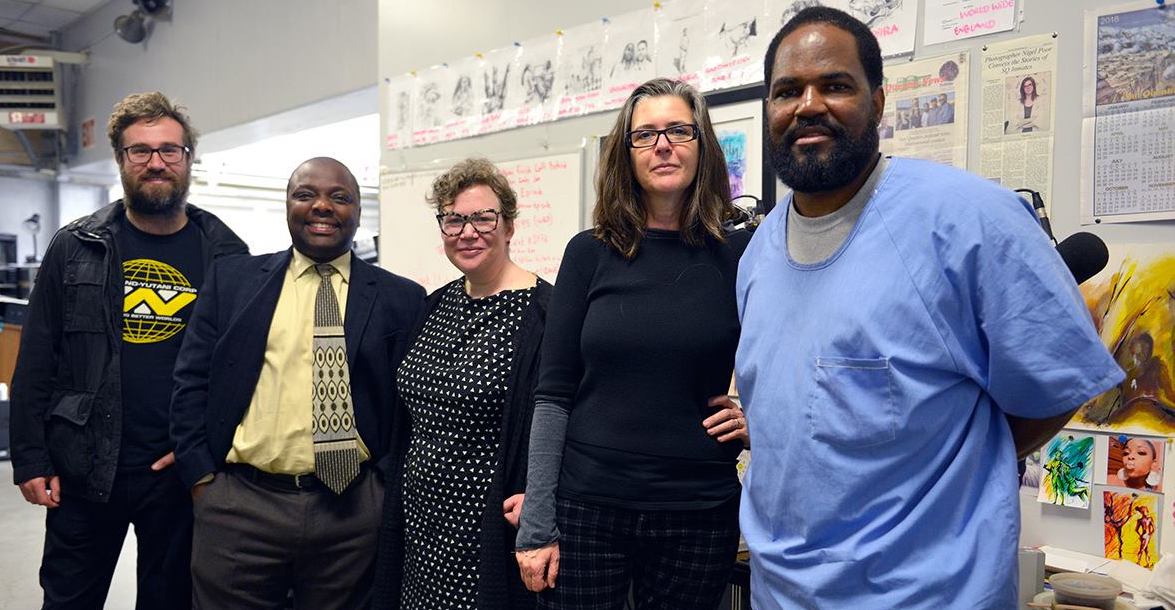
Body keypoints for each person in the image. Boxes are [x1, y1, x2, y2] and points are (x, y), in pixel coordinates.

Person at [737, 8, 1123, 607]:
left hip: (928, 593)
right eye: (787, 90)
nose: (808, 104)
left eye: (835, 85)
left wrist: (953, 469)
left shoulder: (972, 221)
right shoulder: (757, 253)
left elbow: (1053, 388)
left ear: (880, 101)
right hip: (780, 592)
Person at [514, 77, 749, 609]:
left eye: (678, 130)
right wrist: (537, 524)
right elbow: (553, 394)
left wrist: (759, 422)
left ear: (702, 145)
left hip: (698, 507)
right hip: (588, 508)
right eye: (644, 135)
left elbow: (790, 357)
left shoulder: (739, 253)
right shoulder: (589, 253)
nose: (662, 144)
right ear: (627, 154)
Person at [8, 91, 248, 609]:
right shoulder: (77, 245)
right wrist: (29, 456)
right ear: (120, 159)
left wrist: (203, 446)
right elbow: (38, 354)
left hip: (178, 471)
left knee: (172, 601)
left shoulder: (227, 253)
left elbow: (241, 368)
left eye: (169, 150)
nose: (155, 162)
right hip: (84, 464)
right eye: (140, 151)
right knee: (69, 599)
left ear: (188, 160)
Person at [170, 157, 424, 608]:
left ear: (360, 212)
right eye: (306, 194)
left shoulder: (400, 298)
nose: (322, 206)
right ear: (288, 206)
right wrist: (203, 482)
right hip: (240, 507)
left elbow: (411, 406)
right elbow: (191, 381)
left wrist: (381, 491)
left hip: (351, 512)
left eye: (339, 196)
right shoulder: (232, 282)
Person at [373, 158, 551, 610]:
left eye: (483, 217)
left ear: (508, 225)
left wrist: (544, 500)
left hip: (488, 526)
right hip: (420, 522)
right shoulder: (432, 307)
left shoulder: (544, 313)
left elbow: (564, 417)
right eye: (453, 219)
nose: (467, 231)